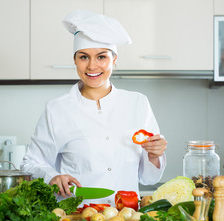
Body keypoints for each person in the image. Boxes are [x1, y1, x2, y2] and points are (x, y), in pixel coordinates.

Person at [21, 10, 167, 205]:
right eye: (83, 57)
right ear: (75, 60)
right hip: (75, 218)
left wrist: (154, 154)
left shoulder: (138, 103)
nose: (92, 66)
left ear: (114, 59)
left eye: (101, 57)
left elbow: (149, 178)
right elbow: (30, 163)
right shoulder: (57, 109)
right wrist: (52, 177)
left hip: (126, 218)